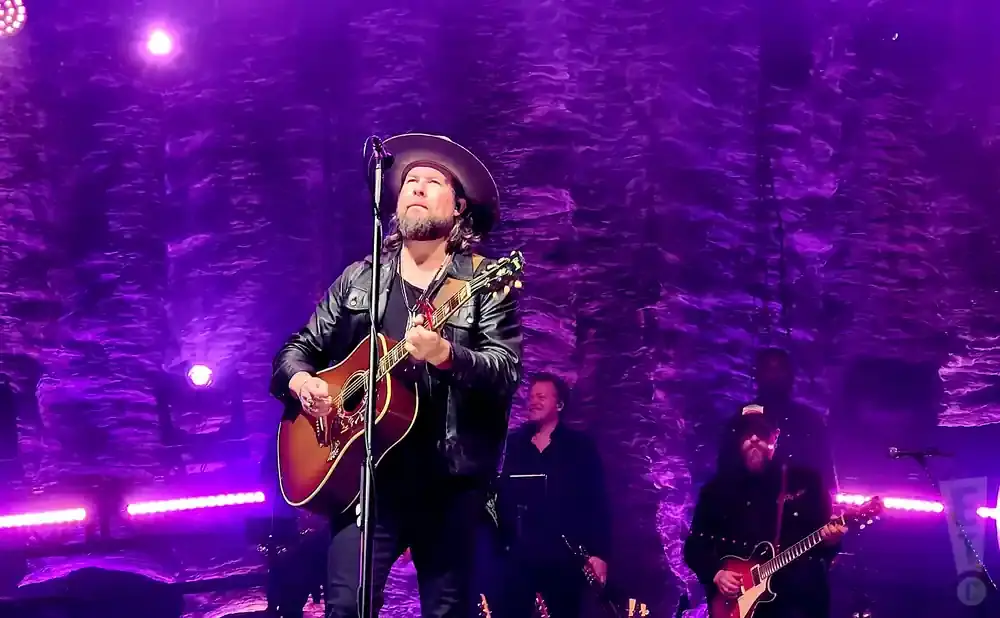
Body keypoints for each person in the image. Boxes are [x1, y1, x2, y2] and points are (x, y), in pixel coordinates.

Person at [269, 133, 522, 618]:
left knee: (448, 611)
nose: (417, 187)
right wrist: (302, 382)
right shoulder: (360, 279)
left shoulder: (482, 281)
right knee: (346, 608)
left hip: (448, 480)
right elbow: (295, 351)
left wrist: (447, 354)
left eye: (433, 182)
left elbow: (505, 370)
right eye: (409, 181)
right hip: (364, 476)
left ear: (459, 207)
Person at [686, 412, 846, 618]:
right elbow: (695, 546)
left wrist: (832, 541)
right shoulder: (716, 490)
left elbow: (824, 544)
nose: (754, 438)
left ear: (775, 436)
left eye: (761, 432)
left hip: (797, 603)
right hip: (739, 606)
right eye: (747, 432)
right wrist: (716, 573)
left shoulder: (806, 482)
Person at [499, 372, 612, 618]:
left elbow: (597, 503)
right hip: (518, 556)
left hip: (564, 558)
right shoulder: (513, 445)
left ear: (559, 404)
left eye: (541, 397)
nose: (533, 402)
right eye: (531, 397)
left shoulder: (579, 448)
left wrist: (599, 553)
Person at [718, 348, 838, 492]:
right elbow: (727, 468)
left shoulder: (809, 420)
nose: (774, 376)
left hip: (800, 498)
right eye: (769, 371)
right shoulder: (742, 419)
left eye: (779, 371)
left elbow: (824, 468)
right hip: (753, 499)